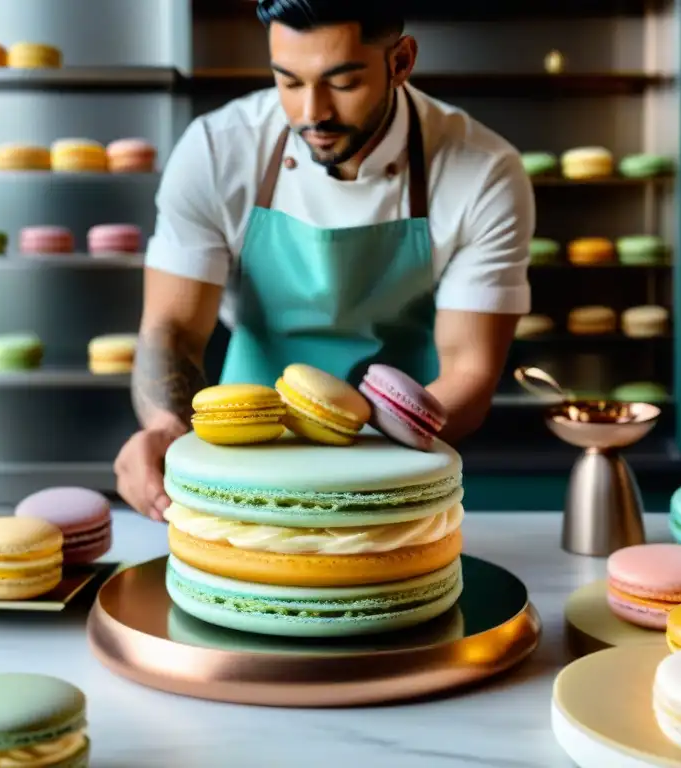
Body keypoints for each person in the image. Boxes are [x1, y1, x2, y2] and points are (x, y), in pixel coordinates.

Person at [115, 0, 535, 521]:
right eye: (288, 82)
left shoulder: (484, 173)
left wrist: (352, 471)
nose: (312, 112)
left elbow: (469, 370)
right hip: (243, 457)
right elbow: (172, 328)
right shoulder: (217, 150)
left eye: (342, 83)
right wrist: (164, 429)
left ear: (400, 62)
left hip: (398, 470)